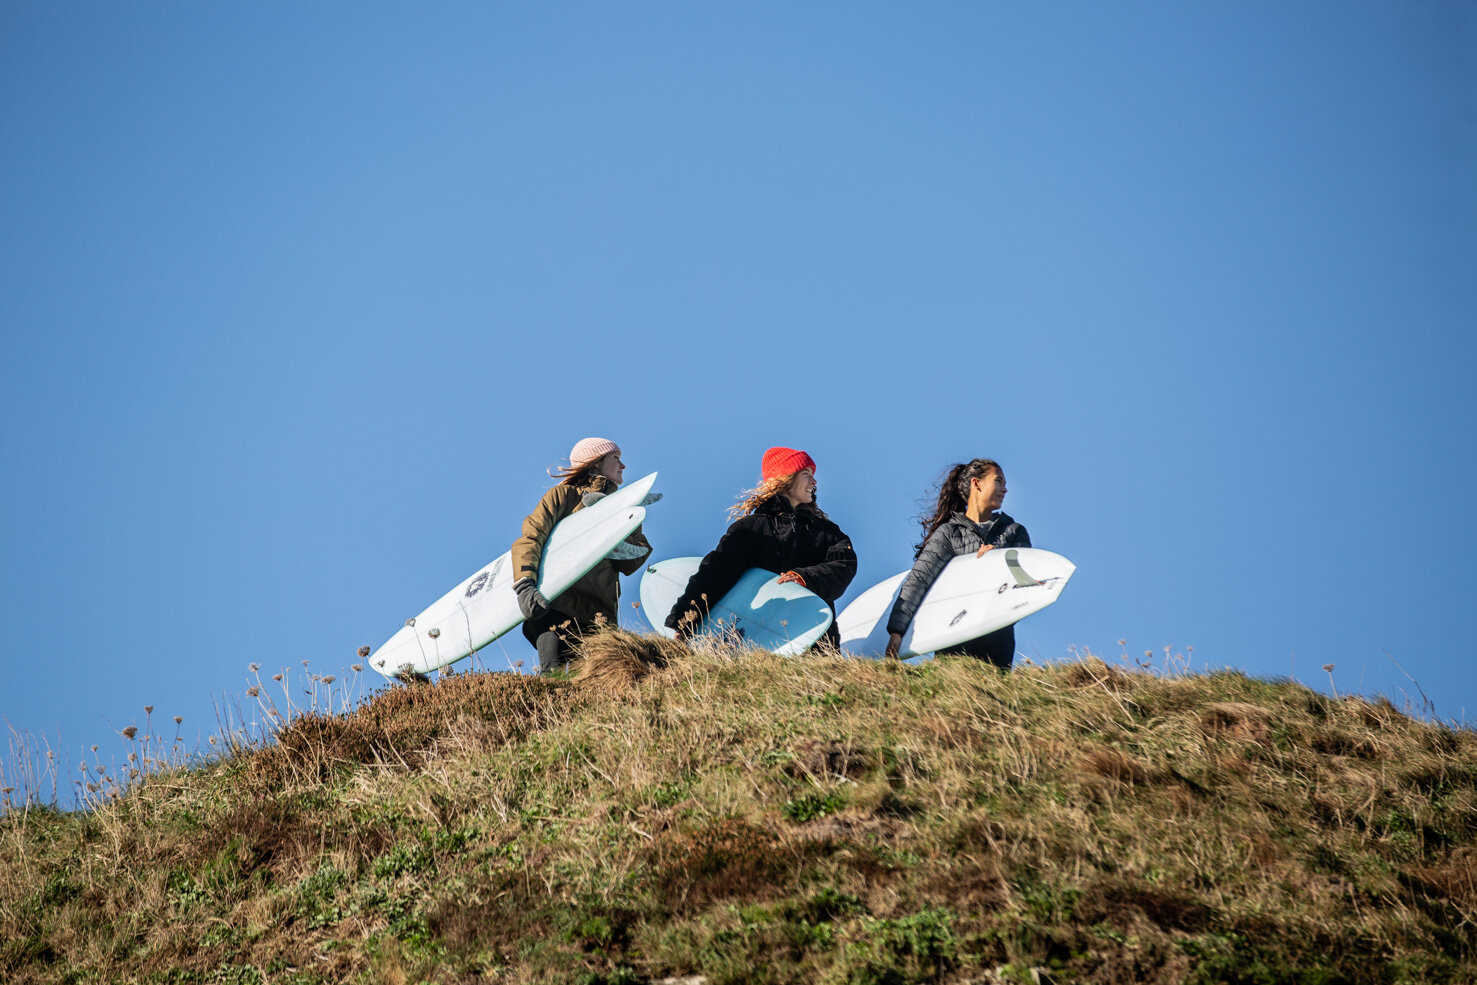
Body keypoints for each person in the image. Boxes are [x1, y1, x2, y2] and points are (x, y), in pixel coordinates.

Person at [665, 447, 857, 649]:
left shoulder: (827, 532)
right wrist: (684, 623)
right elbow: (715, 575)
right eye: (806, 474)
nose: (814, 482)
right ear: (786, 479)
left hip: (815, 642)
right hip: (759, 641)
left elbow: (844, 566)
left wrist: (804, 578)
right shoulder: (751, 529)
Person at [511, 437, 652, 674]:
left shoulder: (622, 509)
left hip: (599, 619)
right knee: (553, 679)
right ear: (595, 463)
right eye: (616, 458)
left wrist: (612, 524)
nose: (623, 465)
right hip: (555, 607)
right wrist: (524, 585)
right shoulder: (563, 496)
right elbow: (530, 538)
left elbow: (634, 560)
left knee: (596, 689)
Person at [884, 458, 1030, 669]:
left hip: (998, 639)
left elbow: (1024, 581)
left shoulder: (1014, 532)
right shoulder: (949, 534)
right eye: (998, 481)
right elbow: (919, 580)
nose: (1005, 489)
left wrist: (996, 560)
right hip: (953, 636)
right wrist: (897, 632)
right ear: (976, 483)